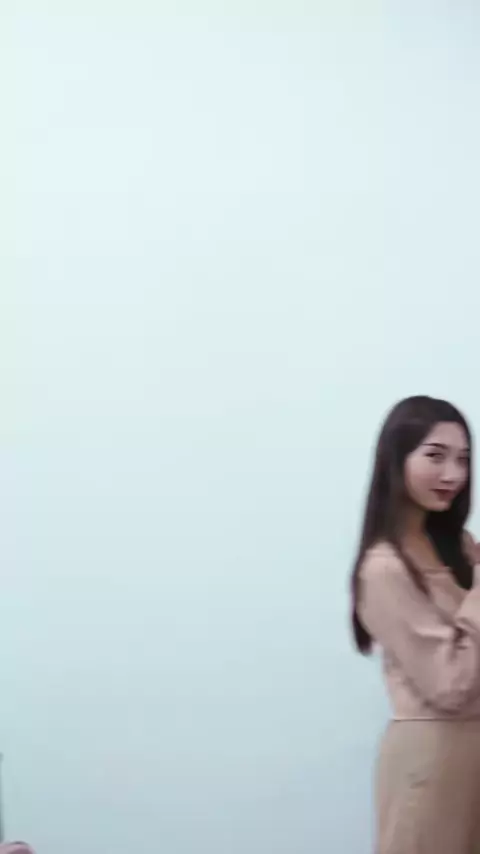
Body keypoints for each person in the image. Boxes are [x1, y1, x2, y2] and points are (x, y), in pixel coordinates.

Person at [350, 395, 480, 854]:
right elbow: (451, 684)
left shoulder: (461, 548)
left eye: (463, 459)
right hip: (432, 766)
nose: (453, 474)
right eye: (435, 456)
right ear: (396, 459)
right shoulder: (383, 568)